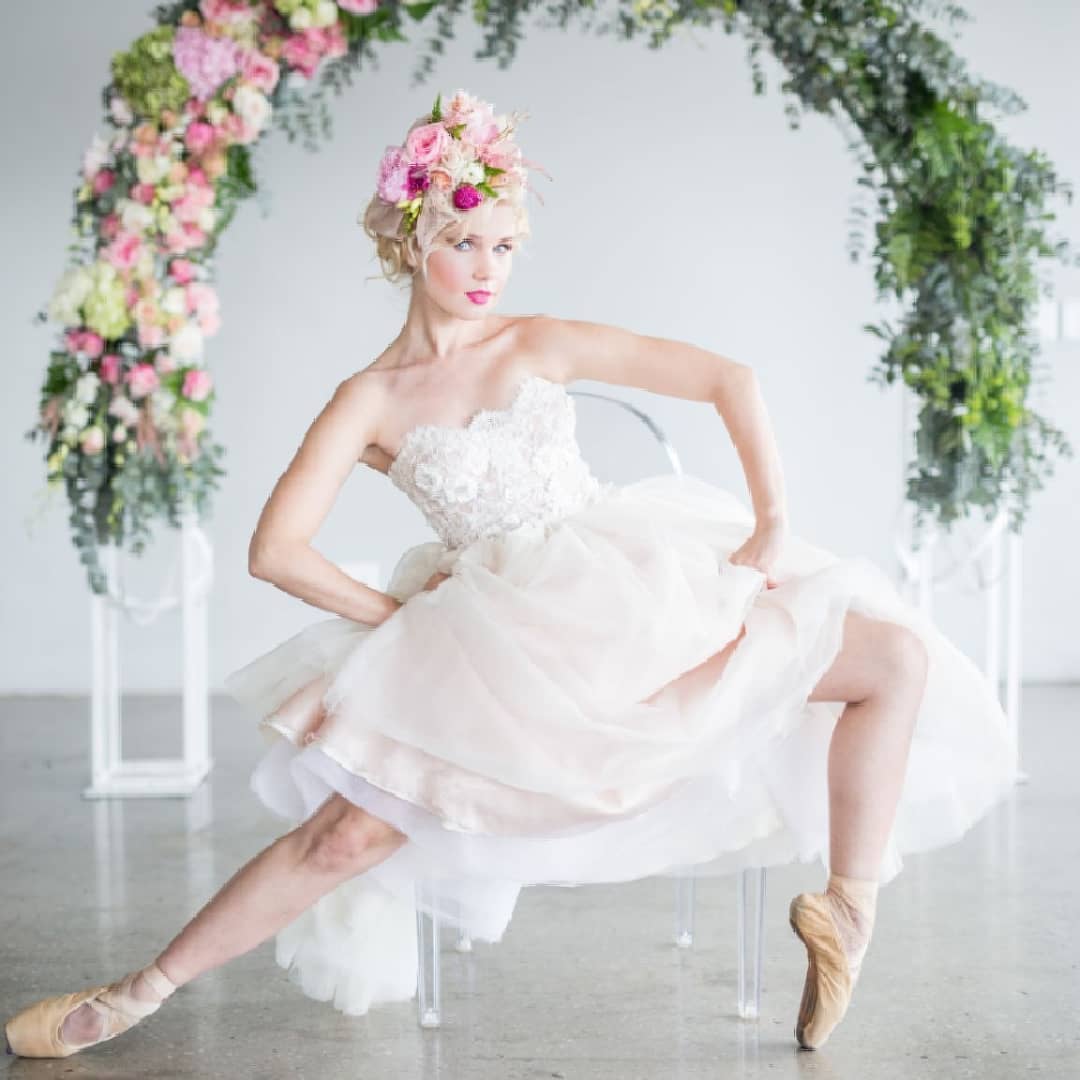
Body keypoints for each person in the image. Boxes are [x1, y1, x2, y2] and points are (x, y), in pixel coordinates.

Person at [5, 88, 1019, 1060]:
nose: (487, 267)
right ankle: (129, 997)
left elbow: (730, 378)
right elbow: (275, 550)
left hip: (632, 587)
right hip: (500, 641)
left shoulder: (536, 341)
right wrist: (391, 612)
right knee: (346, 838)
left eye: (502, 244)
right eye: (463, 242)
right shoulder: (370, 398)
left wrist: (773, 523)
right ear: (413, 243)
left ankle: (847, 911)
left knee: (892, 660)